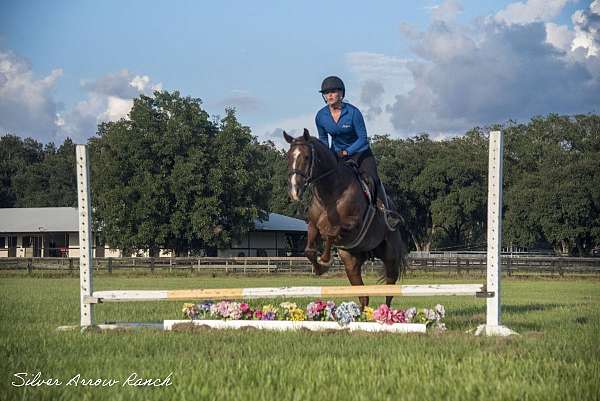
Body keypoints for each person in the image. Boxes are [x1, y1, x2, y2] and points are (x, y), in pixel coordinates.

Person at [315, 75, 399, 229]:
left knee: (372, 179)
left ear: (341, 94)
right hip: (337, 155)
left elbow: (362, 138)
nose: (330, 95)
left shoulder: (354, 113)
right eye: (326, 93)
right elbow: (323, 139)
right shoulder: (321, 116)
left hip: (360, 153)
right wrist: (326, 154)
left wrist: (348, 152)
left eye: (333, 92)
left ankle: (386, 212)